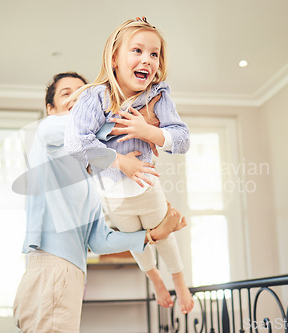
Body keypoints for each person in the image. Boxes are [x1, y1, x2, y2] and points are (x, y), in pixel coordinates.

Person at [12, 72, 187, 333]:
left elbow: (99, 240)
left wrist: (151, 235)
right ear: (50, 108)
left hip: (70, 272)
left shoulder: (91, 180)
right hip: (52, 267)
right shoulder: (48, 132)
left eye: (84, 93)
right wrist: (134, 125)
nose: (76, 98)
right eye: (66, 93)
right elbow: (80, 131)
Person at [64, 18, 194, 314]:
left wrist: (149, 132)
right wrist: (119, 160)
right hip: (112, 193)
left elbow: (183, 139)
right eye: (137, 50)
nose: (147, 60)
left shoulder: (157, 94)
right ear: (114, 58)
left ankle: (179, 279)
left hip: (146, 186)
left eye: (154, 54)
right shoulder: (94, 97)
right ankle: (156, 280)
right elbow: (75, 143)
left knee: (163, 233)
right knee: (139, 243)